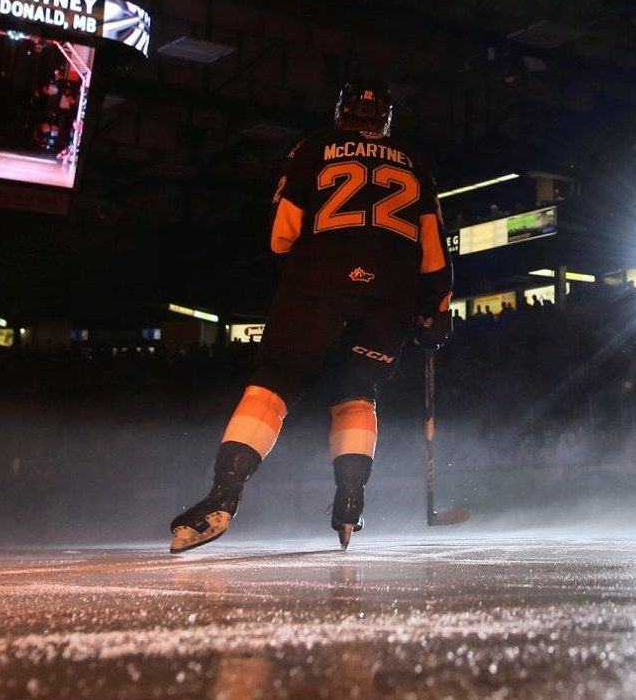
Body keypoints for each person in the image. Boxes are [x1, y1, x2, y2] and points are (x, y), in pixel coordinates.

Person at [170, 80, 453, 552]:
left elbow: (282, 233)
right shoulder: (415, 162)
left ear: (342, 112)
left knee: (273, 387)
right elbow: (434, 250)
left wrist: (302, 272)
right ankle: (349, 502)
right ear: (385, 119)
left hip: (318, 282)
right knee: (357, 394)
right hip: (390, 297)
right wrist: (436, 309)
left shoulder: (314, 147)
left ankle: (222, 500)